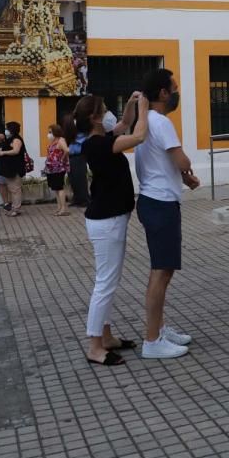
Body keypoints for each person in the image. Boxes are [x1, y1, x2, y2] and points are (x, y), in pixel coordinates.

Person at [78, 91, 150, 366]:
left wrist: (131, 103)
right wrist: (144, 109)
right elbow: (138, 135)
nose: (110, 113)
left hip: (110, 218)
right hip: (106, 221)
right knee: (105, 283)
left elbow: (124, 125)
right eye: (106, 108)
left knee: (108, 280)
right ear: (95, 118)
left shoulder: (101, 139)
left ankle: (106, 337)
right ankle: (95, 346)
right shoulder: (98, 145)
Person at [134, 68, 199, 360]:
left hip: (153, 200)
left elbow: (165, 162)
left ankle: (158, 328)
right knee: (161, 272)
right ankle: (152, 340)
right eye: (173, 88)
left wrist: (183, 176)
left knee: (161, 269)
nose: (176, 93)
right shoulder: (161, 122)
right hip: (160, 203)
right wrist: (186, 168)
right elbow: (180, 158)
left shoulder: (145, 121)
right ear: (162, 93)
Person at [0, 121, 28, 217]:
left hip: (15, 168)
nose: (5, 131)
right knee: (12, 188)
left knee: (15, 189)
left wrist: (3, 153)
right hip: (9, 169)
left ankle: (16, 209)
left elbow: (16, 151)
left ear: (11, 130)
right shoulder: (9, 139)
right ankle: (15, 207)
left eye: (7, 129)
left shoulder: (16, 139)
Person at [45, 124, 71, 216]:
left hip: (59, 168)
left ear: (55, 132)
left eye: (50, 132)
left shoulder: (61, 140)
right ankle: (59, 207)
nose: (48, 134)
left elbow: (67, 150)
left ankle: (63, 208)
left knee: (59, 187)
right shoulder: (53, 141)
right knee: (55, 188)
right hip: (51, 169)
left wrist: (62, 158)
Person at [68, 125, 90, 208]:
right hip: (71, 157)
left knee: (80, 178)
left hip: (79, 156)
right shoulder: (72, 135)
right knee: (73, 179)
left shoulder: (84, 135)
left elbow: (80, 142)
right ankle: (76, 199)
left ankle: (84, 200)